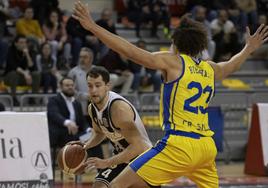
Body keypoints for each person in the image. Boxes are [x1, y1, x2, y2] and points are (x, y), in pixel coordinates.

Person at [72, 1, 268, 187]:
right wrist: (248, 48)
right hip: (207, 147)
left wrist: (93, 27)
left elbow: (131, 52)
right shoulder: (211, 68)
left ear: (175, 43)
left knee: (117, 185)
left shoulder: (173, 62)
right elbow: (231, 65)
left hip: (179, 144)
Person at [69, 66, 152, 188]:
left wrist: (106, 162)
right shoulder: (92, 108)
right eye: (90, 86)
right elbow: (99, 133)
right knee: (98, 186)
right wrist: (85, 146)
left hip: (142, 158)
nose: (93, 90)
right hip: (122, 157)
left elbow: (138, 146)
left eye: (98, 85)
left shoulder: (119, 109)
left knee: (115, 186)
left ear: (108, 86)